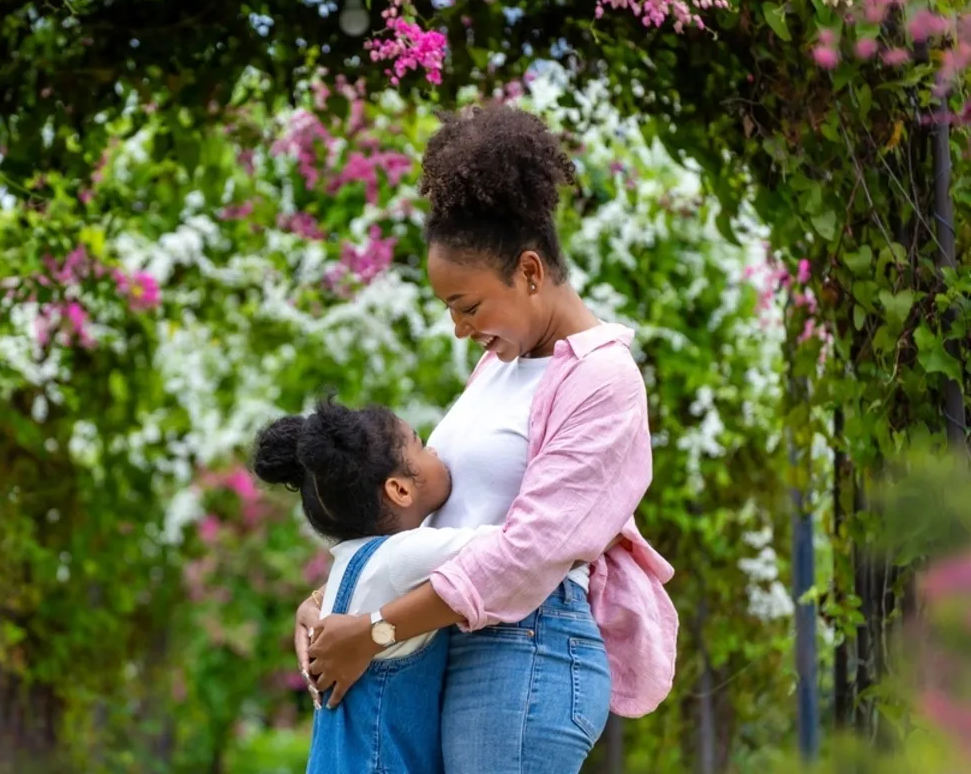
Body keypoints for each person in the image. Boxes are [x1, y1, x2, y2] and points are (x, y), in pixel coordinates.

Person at [300, 104, 680, 773]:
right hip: (460, 642)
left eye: (468, 307)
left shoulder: (602, 380)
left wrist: (377, 631)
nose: (459, 329)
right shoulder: (499, 367)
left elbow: (531, 551)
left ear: (530, 272)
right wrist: (337, 601)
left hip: (528, 652)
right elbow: (441, 516)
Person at [252, 397, 495, 774]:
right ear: (399, 490)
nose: (434, 448)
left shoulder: (347, 565)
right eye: (419, 443)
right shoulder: (405, 556)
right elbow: (519, 546)